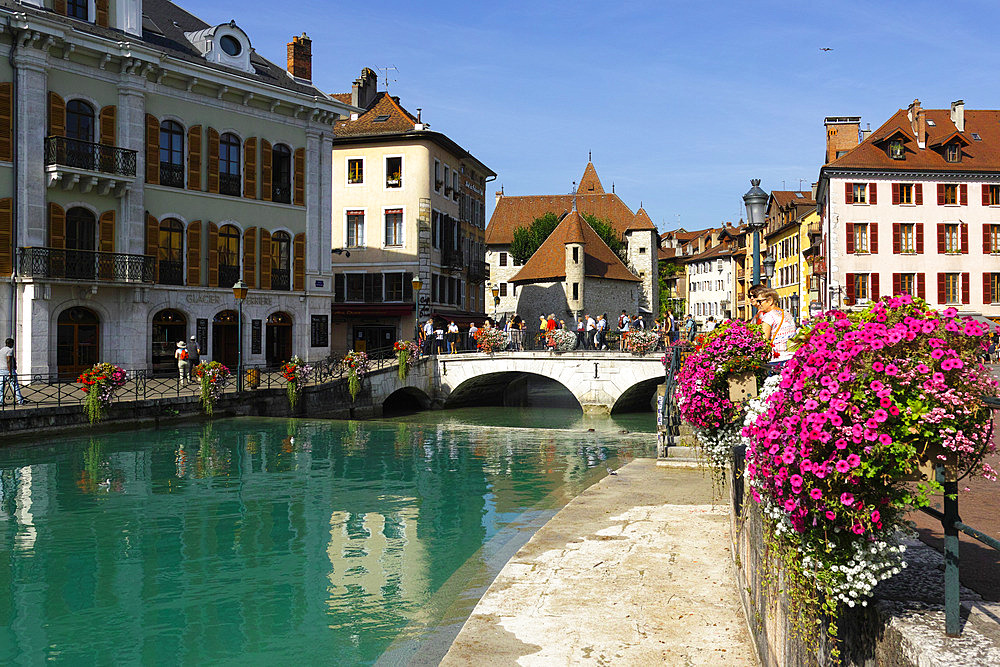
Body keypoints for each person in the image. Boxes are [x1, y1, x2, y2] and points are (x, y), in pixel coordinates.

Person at [755, 287, 796, 364]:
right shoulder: (787, 314)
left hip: (777, 358)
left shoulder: (768, 316)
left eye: (760, 301)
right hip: (791, 357)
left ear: (770, 301)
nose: (758, 304)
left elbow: (764, 340)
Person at [1, 337, 27, 406]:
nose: (13, 345)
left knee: (1, 387)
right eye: (12, 343)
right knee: (15, 386)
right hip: (8, 370)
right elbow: (8, 360)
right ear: (10, 343)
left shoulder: (1, 350)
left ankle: (0, 401)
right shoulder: (10, 350)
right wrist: (10, 372)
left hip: (1, 371)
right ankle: (20, 401)